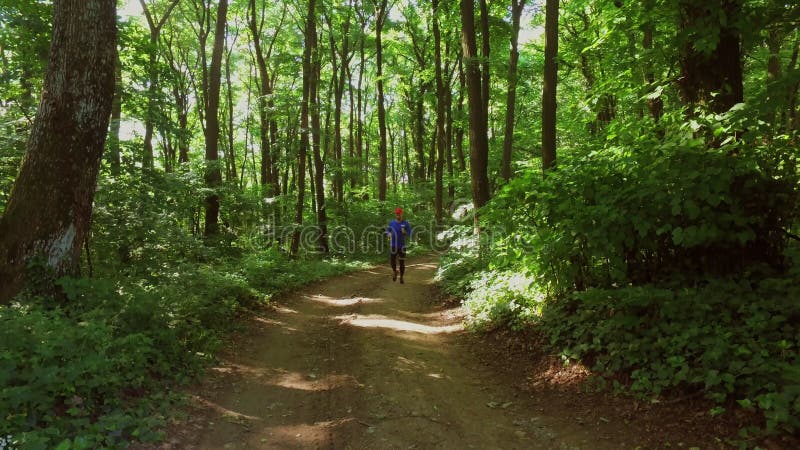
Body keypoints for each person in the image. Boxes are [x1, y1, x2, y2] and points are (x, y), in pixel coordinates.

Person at [386, 207, 411, 283]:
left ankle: (401, 277)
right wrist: (389, 234)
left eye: (399, 214)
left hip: (402, 246)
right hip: (393, 245)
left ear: (401, 214)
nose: (398, 215)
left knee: (401, 262)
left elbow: (409, 233)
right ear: (395, 214)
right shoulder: (392, 223)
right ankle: (395, 271)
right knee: (392, 261)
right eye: (397, 214)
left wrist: (404, 232)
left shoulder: (405, 223)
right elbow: (387, 231)